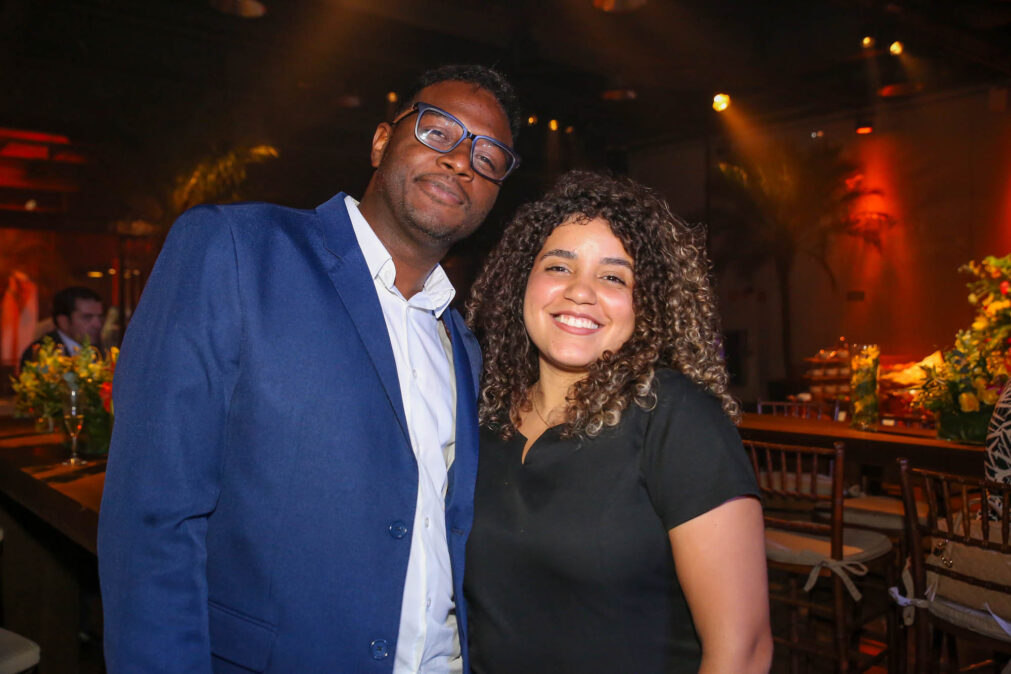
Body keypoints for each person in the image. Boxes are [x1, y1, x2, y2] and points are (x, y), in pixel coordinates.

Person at [98, 64, 521, 673]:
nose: (462, 161)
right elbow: (151, 518)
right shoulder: (237, 250)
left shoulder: (463, 344)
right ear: (381, 141)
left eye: (489, 157)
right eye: (438, 131)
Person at [465, 171, 772, 673]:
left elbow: (744, 651)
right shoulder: (483, 414)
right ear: (522, 281)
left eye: (613, 277)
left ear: (647, 303)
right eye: (558, 266)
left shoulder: (674, 417)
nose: (580, 292)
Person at [18, 285, 104, 371]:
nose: (97, 324)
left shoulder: (100, 350)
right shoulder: (40, 352)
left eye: (100, 317)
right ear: (63, 322)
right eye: (87, 317)